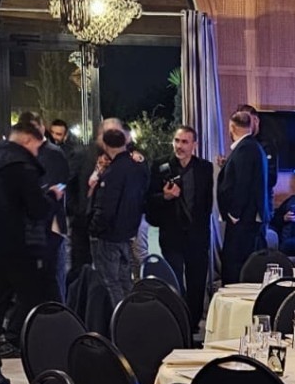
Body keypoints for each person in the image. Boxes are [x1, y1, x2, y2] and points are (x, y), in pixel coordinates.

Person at [0, 122, 52, 384]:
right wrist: (51, 198)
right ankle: (42, 369)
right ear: (28, 141)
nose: (37, 153)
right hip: (21, 247)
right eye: (37, 147)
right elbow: (37, 210)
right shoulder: (22, 167)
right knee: (35, 306)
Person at [147, 125, 213, 331]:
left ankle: (192, 325)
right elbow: (148, 200)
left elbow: (207, 204)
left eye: (185, 142)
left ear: (194, 145)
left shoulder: (205, 168)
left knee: (197, 283)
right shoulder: (160, 166)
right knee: (174, 282)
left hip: (197, 236)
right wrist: (165, 197)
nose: (179, 146)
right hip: (171, 235)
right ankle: (177, 322)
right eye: (177, 141)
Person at [89, 127, 149, 306]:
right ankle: (130, 313)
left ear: (106, 146)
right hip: (128, 232)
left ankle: (118, 317)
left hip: (109, 235)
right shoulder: (137, 168)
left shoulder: (113, 172)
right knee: (125, 279)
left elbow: (106, 207)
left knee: (110, 281)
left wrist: (94, 228)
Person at [18, 111, 71, 301]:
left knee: (53, 280)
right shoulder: (22, 153)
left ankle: (58, 314)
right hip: (29, 229)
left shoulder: (53, 154)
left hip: (50, 227)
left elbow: (58, 189)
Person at [217, 111, 270, 283]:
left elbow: (243, 183)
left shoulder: (245, 149)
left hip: (243, 221)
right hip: (248, 219)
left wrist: (234, 213)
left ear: (232, 127)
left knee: (235, 267)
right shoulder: (253, 147)